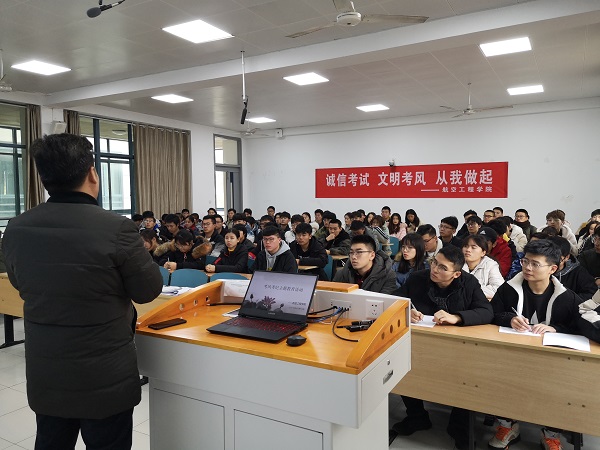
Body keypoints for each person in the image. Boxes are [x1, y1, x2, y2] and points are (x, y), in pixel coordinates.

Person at [1, 133, 163, 450]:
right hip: (104, 373)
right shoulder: (116, 228)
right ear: (92, 173)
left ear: (44, 177)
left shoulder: (17, 227)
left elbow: (21, 284)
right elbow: (147, 290)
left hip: (48, 369)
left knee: (51, 441)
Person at [391, 246, 493, 450]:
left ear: (456, 274)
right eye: (434, 263)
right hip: (422, 343)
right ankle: (417, 417)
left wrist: (457, 317)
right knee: (403, 366)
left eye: (442, 268)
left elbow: (486, 311)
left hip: (458, 347)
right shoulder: (417, 278)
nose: (435, 269)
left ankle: (459, 426)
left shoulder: (468, 283)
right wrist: (405, 311)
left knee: (466, 378)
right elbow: (396, 300)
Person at [489, 239, 582, 450]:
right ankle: (507, 425)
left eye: (535, 264)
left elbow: (580, 327)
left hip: (552, 361)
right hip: (512, 355)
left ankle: (551, 433)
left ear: (553, 269)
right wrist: (509, 319)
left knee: (561, 386)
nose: (528, 268)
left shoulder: (567, 298)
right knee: (499, 378)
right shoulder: (508, 289)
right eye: (525, 261)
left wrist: (556, 329)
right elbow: (491, 314)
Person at [548, 236, 597, 300]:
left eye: (556, 259)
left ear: (567, 257)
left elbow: (591, 293)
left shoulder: (578, 272)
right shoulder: (539, 269)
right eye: (547, 258)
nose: (550, 262)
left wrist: (567, 300)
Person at [462, 234, 503, 299]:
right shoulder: (456, 262)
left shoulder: (490, 265)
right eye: (465, 246)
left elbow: (499, 288)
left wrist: (471, 291)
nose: (468, 250)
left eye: (473, 247)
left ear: (483, 252)